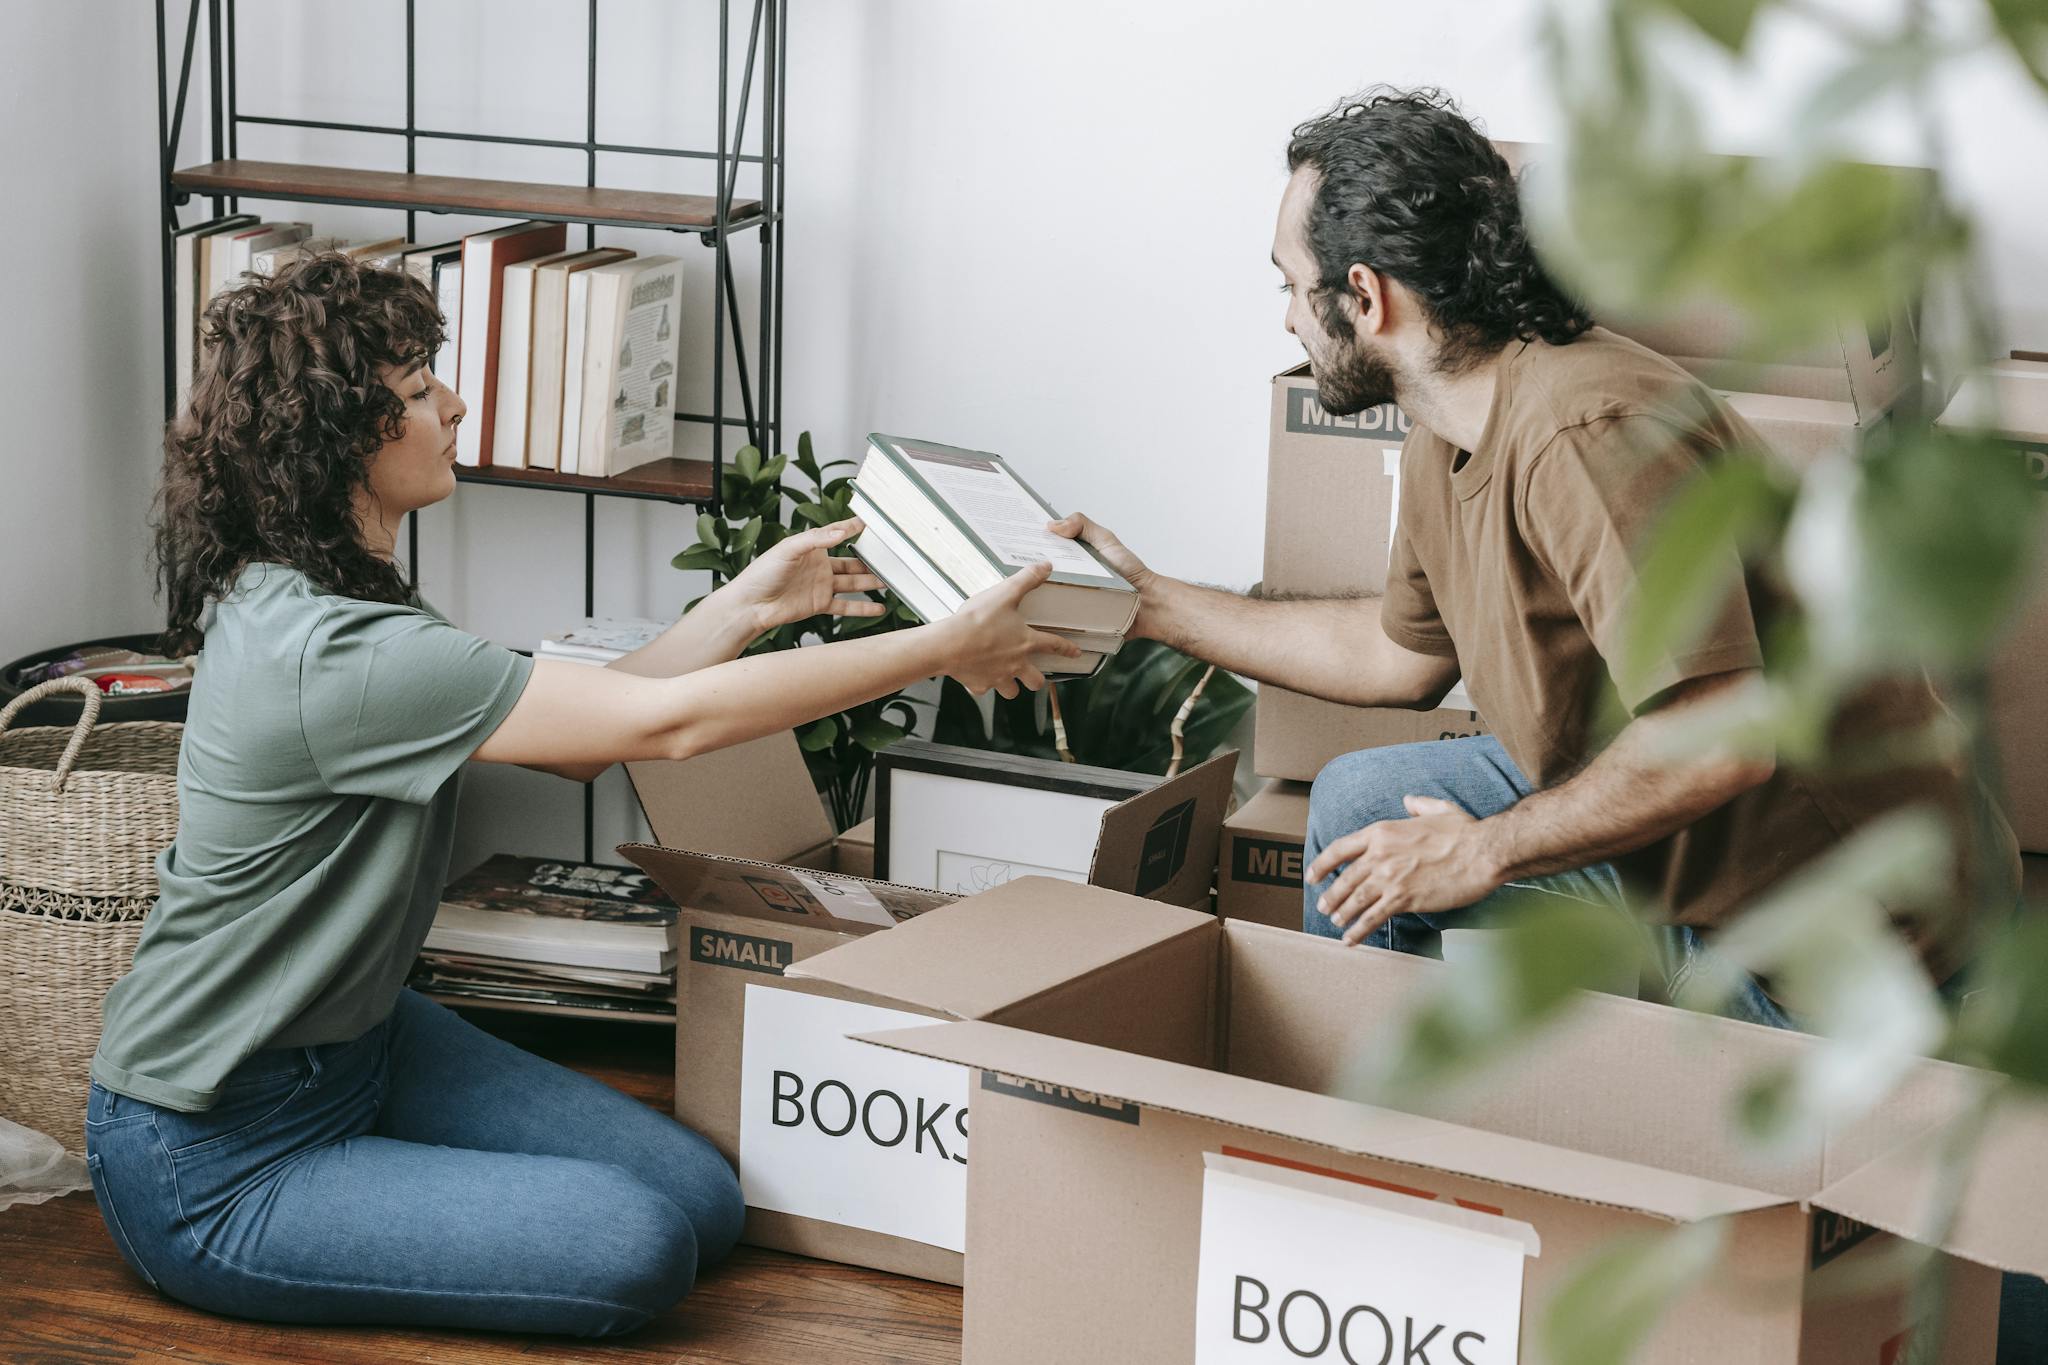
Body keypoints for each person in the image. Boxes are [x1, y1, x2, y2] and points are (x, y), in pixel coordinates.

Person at [1051, 88, 2040, 1358]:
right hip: (1687, 861)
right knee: (1362, 815)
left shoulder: (1583, 428)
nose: (1284, 315)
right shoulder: (1445, 424)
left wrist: (1483, 849)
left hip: (1847, 913)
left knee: (1940, 1305)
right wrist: (1155, 609)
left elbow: (1725, 730)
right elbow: (1392, 654)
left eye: (1291, 286)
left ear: (1371, 299)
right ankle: (1384, 1203)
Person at [84, 251, 1079, 1337]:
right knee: (633, 1247)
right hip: (213, 1151)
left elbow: (585, 731)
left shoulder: (329, 597)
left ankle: (381, 1180)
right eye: (419, 393)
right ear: (339, 442)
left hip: (359, 1045)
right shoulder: (337, 650)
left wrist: (750, 604)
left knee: (700, 1200)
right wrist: (937, 648)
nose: (453, 405)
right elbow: (661, 726)